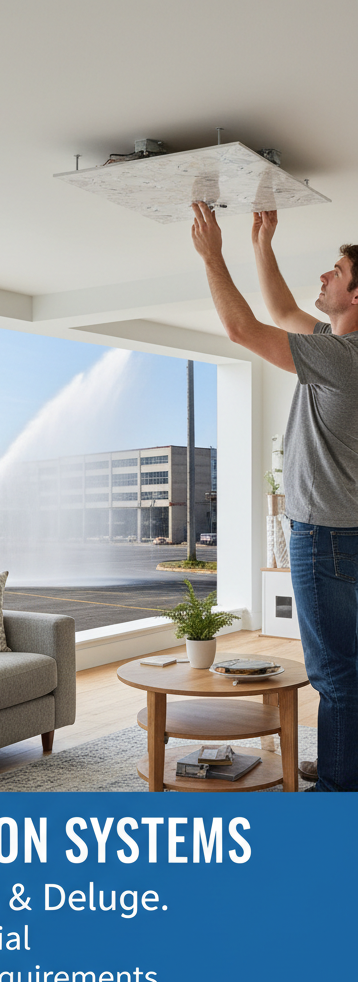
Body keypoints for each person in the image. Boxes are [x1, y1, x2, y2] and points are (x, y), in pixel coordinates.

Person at [191, 201, 358, 791]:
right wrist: (262, 245)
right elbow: (283, 310)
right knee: (350, 667)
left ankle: (340, 790)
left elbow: (243, 330)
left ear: (357, 295)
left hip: (329, 536)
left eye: (335, 272)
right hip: (346, 533)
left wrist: (212, 257)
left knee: (336, 673)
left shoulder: (345, 358)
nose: (324, 277)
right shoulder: (335, 348)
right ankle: (347, 764)